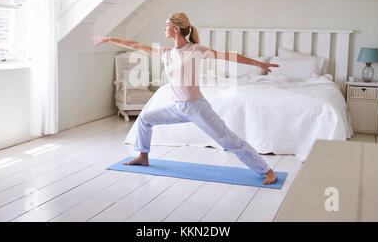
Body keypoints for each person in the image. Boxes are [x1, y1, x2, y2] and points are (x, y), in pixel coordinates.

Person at [93, 12, 279, 185]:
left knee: (228, 140)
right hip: (177, 107)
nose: (163, 28)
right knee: (145, 118)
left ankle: (267, 170)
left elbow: (229, 56)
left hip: (197, 108)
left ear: (176, 29)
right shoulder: (166, 52)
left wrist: (258, 63)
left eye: (166, 25)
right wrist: (109, 39)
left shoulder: (195, 50)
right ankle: (143, 156)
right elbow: (135, 45)